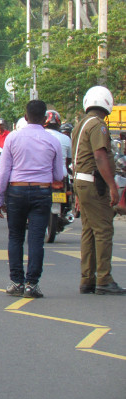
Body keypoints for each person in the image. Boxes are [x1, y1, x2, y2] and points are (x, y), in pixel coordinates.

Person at [0, 100, 63, 298]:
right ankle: (32, 284)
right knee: (36, 239)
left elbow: (3, 172)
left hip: (17, 190)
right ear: (45, 119)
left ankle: (17, 281)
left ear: (25, 117)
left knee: (15, 237)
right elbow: (58, 174)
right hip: (42, 191)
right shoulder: (53, 141)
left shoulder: (13, 138)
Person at [72, 86, 126, 295]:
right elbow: (100, 156)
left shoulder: (80, 125)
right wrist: (112, 186)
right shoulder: (98, 125)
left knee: (88, 231)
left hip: (81, 181)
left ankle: (87, 278)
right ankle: (104, 278)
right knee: (103, 230)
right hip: (94, 184)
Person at [45, 110, 72, 179]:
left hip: (42, 176)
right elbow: (69, 160)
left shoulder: (38, 136)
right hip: (61, 176)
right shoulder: (66, 138)